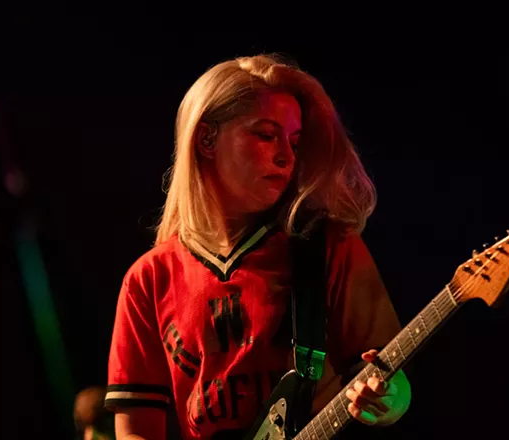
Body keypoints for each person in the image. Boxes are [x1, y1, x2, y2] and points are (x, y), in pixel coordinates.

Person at [104, 53, 412, 440]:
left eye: (295, 141)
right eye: (265, 135)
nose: (285, 155)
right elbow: (135, 429)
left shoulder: (330, 246)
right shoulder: (148, 279)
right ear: (206, 139)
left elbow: (393, 381)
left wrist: (387, 399)